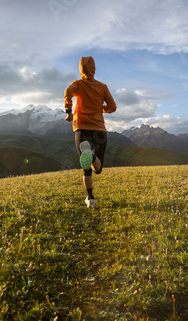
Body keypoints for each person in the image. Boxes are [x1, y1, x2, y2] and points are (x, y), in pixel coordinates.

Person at [64, 56, 117, 208]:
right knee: (97, 168)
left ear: (81, 69)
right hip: (99, 130)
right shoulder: (102, 87)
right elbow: (113, 107)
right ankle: (92, 157)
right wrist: (102, 109)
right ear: (94, 69)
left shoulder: (78, 84)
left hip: (81, 128)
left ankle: (90, 199)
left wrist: (68, 110)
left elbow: (67, 91)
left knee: (86, 168)